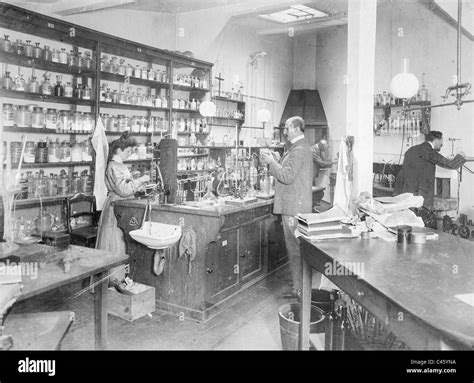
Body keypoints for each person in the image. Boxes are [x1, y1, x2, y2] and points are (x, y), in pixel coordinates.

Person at [261, 116, 314, 297]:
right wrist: (277, 159)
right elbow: (290, 170)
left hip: (293, 208)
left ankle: (299, 290)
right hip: (296, 205)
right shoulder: (300, 147)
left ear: (297, 128)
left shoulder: (299, 149)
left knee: (295, 250)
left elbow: (286, 176)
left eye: (288, 128)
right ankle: (300, 287)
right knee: (297, 249)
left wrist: (271, 163)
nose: (284, 132)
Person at [96, 132, 150, 281]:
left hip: (122, 206)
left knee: (120, 243)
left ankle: (118, 280)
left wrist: (136, 182)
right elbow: (124, 190)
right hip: (116, 208)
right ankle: (112, 281)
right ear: (119, 150)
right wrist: (141, 180)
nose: (129, 154)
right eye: (128, 151)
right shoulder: (114, 166)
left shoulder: (118, 166)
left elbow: (126, 187)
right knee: (114, 244)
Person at [393, 131, 465, 228]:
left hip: (404, 194)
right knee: (425, 227)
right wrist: (461, 156)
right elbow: (451, 164)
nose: (441, 145)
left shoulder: (411, 150)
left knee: (408, 225)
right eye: (441, 141)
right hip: (419, 198)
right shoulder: (429, 151)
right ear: (436, 140)